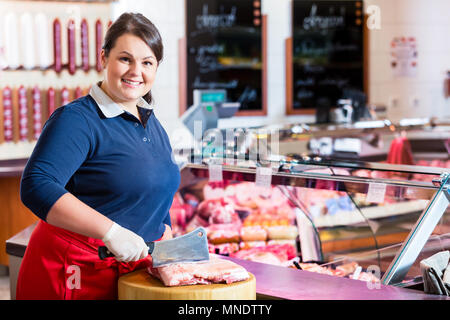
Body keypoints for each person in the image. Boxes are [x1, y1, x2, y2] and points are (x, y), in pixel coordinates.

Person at [16, 12, 180, 300]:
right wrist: (111, 232)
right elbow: (37, 185)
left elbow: (155, 186)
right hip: (74, 272)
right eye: (125, 59)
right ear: (104, 58)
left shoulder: (151, 123)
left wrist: (164, 230)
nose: (136, 71)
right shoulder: (77, 120)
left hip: (132, 271)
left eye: (147, 63)